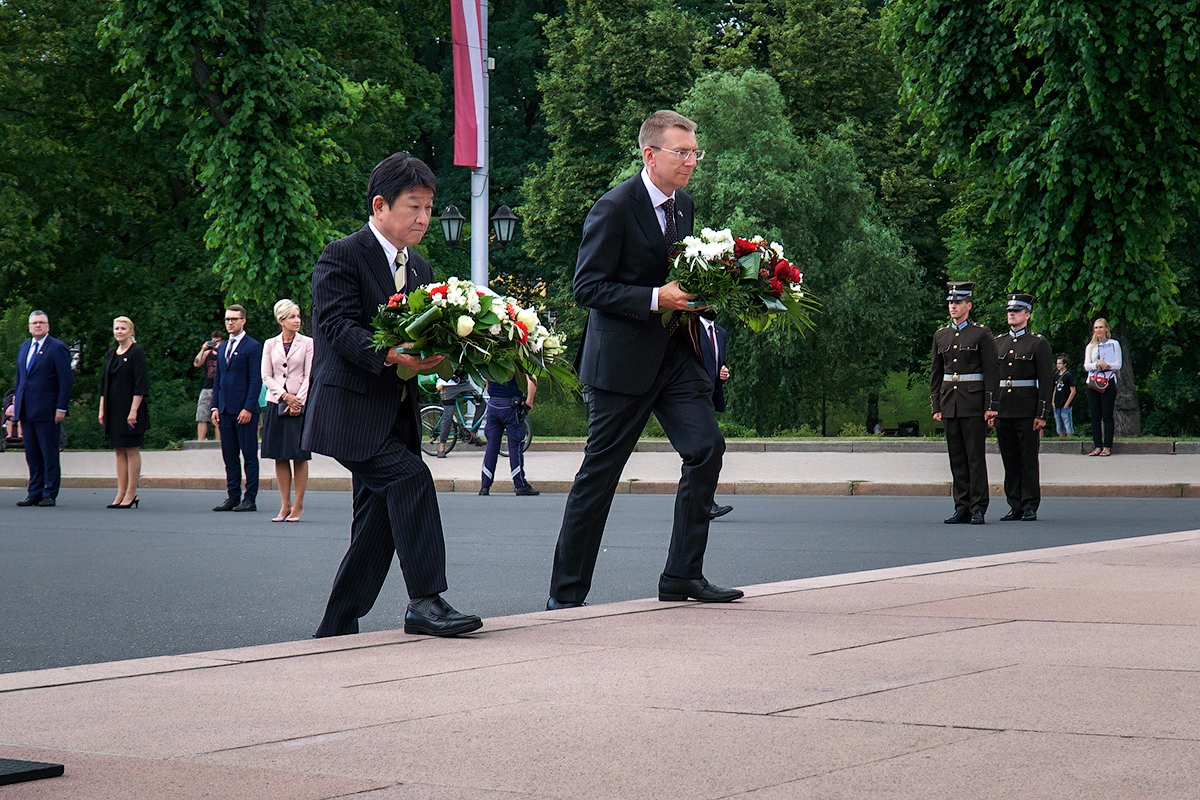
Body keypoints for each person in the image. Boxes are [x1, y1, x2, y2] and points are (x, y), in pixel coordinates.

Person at [547, 110, 742, 610]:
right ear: (650, 155)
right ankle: (565, 597)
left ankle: (682, 575)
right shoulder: (613, 208)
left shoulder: (686, 206)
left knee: (706, 448)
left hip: (676, 358)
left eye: (695, 152)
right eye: (682, 152)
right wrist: (659, 298)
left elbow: (682, 273)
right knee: (599, 477)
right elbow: (587, 287)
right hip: (621, 365)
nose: (691, 161)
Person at [303, 152, 482, 638]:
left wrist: (452, 355)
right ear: (380, 205)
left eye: (428, 208)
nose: (423, 218)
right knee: (411, 480)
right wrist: (391, 354)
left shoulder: (419, 267)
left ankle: (336, 627)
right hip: (350, 414)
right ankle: (425, 602)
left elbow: (421, 341)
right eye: (414, 207)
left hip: (395, 417)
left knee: (377, 527)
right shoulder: (342, 254)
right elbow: (335, 326)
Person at [930, 282, 999, 525]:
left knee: (974, 457)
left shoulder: (981, 334)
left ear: (968, 305)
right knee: (956, 457)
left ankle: (978, 506)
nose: (953, 307)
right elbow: (936, 374)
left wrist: (991, 405)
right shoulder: (941, 335)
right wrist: (936, 405)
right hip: (951, 403)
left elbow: (992, 372)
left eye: (958, 303)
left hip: (973, 403)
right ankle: (962, 506)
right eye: (951, 303)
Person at [991, 294, 1054, 522]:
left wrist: (1042, 414)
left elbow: (1046, 381)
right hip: (1004, 409)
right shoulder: (998, 342)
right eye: (1010, 310)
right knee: (1010, 459)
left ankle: (1029, 504)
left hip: (1027, 409)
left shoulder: (1038, 343)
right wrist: (991, 408)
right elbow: (993, 379)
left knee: (1028, 458)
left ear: (1027, 315)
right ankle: (1015, 504)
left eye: (1017, 311)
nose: (1011, 314)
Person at [260, 299, 313, 522]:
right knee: (280, 456)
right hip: (276, 403)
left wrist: (297, 401)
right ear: (281, 320)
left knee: (299, 456)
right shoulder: (270, 344)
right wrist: (285, 397)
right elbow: (266, 376)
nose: (297, 320)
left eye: (298, 316)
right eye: (292, 317)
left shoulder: (308, 343)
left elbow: (309, 375)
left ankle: (298, 505)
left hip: (299, 405)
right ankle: (284, 505)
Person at [14, 310, 73, 507]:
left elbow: (65, 380)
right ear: (29, 327)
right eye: (34, 323)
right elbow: (20, 379)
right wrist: (16, 407)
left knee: (48, 454)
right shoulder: (25, 347)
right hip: (27, 410)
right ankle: (34, 491)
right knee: (32, 455)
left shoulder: (56, 348)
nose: (37, 326)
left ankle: (49, 492)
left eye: (41, 322)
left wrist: (61, 407)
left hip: (47, 409)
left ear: (48, 326)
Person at [211, 304, 263, 512]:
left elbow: (255, 379)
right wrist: (215, 406)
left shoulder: (253, 346)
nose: (230, 323)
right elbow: (218, 379)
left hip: (244, 411)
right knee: (229, 455)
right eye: (227, 319)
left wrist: (249, 407)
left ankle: (250, 498)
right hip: (224, 410)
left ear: (243, 321)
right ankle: (233, 495)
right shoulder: (222, 347)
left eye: (234, 319)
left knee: (249, 455)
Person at [98, 316, 150, 509]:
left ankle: (131, 492)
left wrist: (133, 411)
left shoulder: (137, 353)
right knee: (118, 450)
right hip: (113, 408)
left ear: (131, 331)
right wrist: (102, 408)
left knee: (131, 448)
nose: (118, 331)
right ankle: (120, 491)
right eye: (116, 328)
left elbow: (141, 384)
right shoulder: (111, 353)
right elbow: (104, 383)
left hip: (130, 408)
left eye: (122, 328)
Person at [478, 376, 539, 496]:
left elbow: (484, 379)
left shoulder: (492, 359)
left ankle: (485, 486)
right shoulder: (518, 360)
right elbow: (532, 379)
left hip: (493, 405)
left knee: (491, 447)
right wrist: (529, 402)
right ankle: (520, 485)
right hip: (511, 406)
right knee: (515, 446)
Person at [699, 315, 733, 520]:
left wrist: (723, 372)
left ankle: (703, 502)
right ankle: (703, 503)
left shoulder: (720, 332)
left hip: (710, 400)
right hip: (693, 399)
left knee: (712, 449)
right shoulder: (690, 328)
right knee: (710, 448)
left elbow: (719, 363)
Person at [1084, 317, 1122, 457]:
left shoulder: (1114, 344)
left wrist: (1107, 366)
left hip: (1108, 381)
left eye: (1101, 327)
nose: (1098, 330)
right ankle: (1097, 445)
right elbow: (1086, 366)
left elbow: (1118, 364)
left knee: (1107, 415)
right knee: (1095, 416)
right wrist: (1097, 365)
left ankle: (1107, 446)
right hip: (1093, 382)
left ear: (1106, 329)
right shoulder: (1090, 346)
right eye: (1096, 328)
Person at [435, 370, 484, 457]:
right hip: (446, 385)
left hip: (462, 384)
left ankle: (473, 433)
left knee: (481, 402)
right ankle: (442, 447)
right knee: (448, 414)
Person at [193, 330, 224, 441]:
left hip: (220, 388)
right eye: (213, 341)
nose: (215, 343)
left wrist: (220, 349)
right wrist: (203, 349)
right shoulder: (207, 354)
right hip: (207, 387)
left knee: (219, 417)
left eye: (218, 341)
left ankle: (219, 442)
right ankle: (200, 441)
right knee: (202, 416)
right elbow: (196, 363)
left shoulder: (224, 352)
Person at [1053, 354, 1076, 438]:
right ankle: (1061, 438)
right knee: (1059, 425)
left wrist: (1067, 403)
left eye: (1060, 363)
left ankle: (1070, 438)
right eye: (1057, 363)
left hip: (1065, 403)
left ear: (1064, 364)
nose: (1058, 365)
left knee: (1067, 423)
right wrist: (1053, 401)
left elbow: (1073, 391)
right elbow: (1055, 389)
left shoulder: (1068, 376)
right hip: (1057, 402)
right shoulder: (1055, 376)